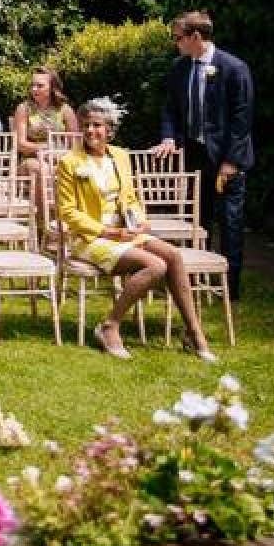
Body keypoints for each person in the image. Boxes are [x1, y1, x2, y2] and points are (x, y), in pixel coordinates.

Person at [59, 98, 217, 362]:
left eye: (97, 125)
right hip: (90, 238)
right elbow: (68, 212)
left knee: (173, 256)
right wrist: (109, 232)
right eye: (86, 125)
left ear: (109, 129)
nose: (90, 131)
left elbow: (130, 198)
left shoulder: (120, 156)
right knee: (156, 266)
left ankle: (193, 332)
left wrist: (139, 220)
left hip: (126, 232)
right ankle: (110, 326)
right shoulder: (69, 162)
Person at [154, 11, 254, 300]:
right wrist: (169, 137)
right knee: (198, 220)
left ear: (196, 36)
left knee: (230, 222)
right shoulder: (179, 68)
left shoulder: (234, 68)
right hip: (195, 156)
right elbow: (170, 108)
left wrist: (231, 161)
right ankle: (193, 281)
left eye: (178, 38)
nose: (175, 43)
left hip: (225, 159)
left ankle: (229, 288)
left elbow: (242, 119)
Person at [13, 67, 80, 233]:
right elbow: (21, 144)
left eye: (40, 85)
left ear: (52, 87)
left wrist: (59, 154)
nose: (34, 89)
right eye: (32, 85)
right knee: (41, 169)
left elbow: (75, 143)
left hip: (59, 158)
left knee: (74, 170)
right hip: (31, 160)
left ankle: (71, 220)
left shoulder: (65, 110)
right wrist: (44, 148)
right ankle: (44, 224)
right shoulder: (24, 109)